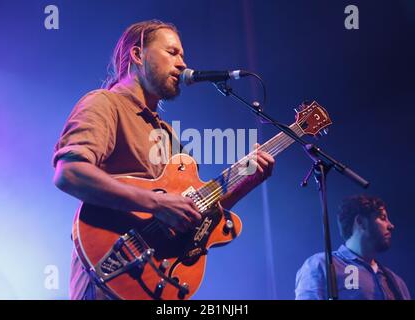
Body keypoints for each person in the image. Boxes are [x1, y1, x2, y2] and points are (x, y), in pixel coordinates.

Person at [52, 20, 275, 300]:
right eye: (172, 52)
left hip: (154, 279)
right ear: (137, 55)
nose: (182, 63)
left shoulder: (166, 135)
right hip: (110, 276)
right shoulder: (104, 104)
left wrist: (248, 179)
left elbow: (197, 212)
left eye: (182, 55)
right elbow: (69, 173)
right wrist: (157, 203)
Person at [295, 195, 411, 300]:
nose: (391, 225)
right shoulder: (321, 265)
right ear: (360, 221)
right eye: (382, 217)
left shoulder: (396, 282)